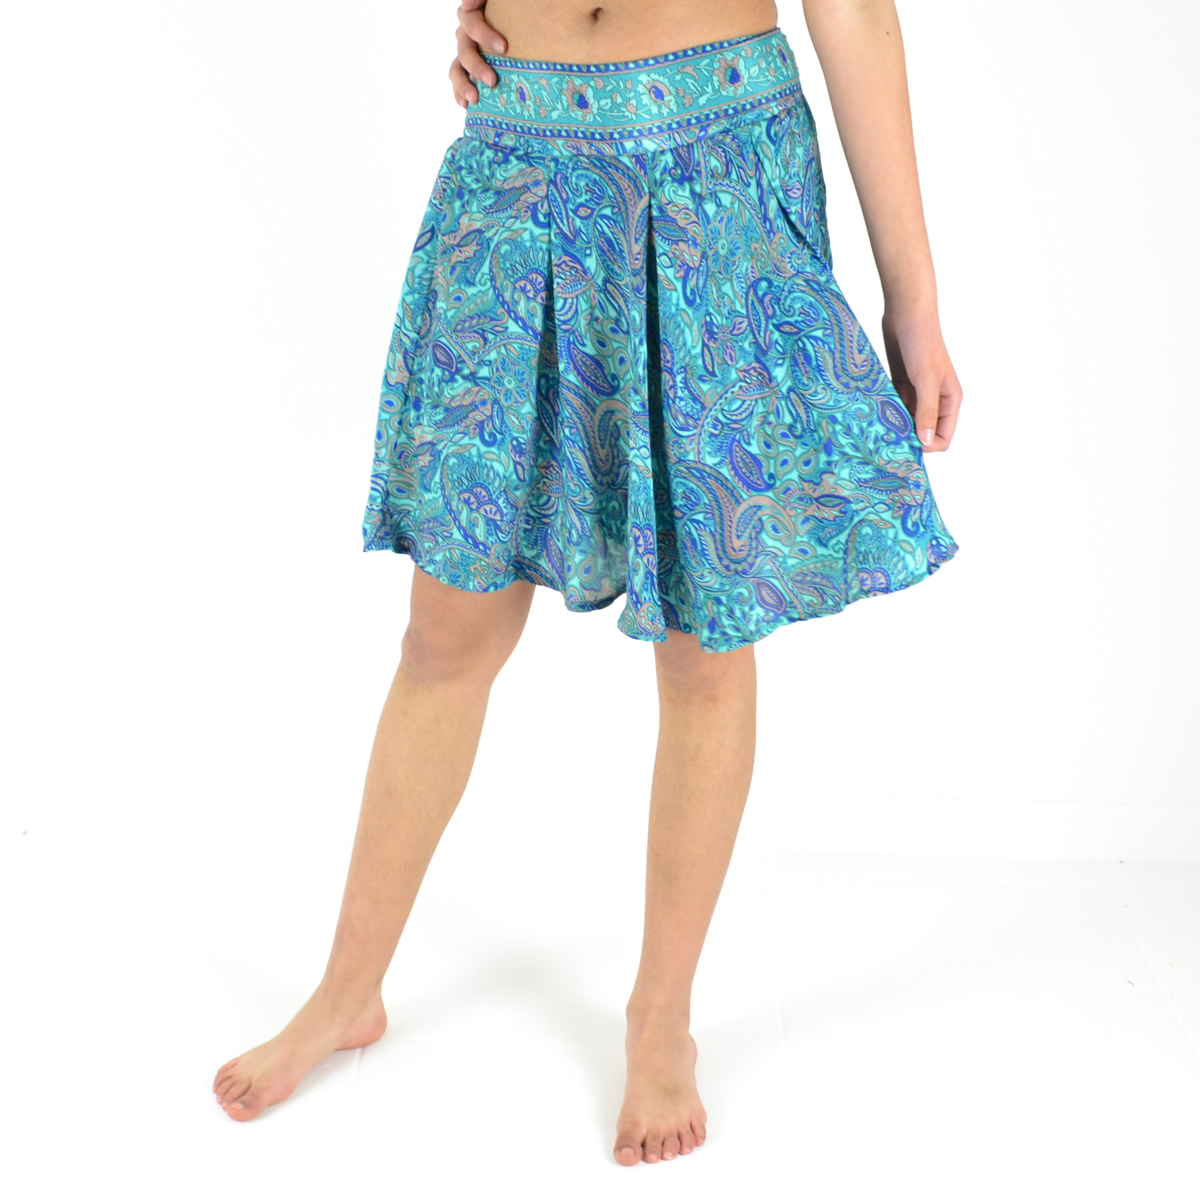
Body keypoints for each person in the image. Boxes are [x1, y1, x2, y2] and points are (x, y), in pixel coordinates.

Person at [213, 0, 962, 1166]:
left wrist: (913, 298)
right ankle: (346, 990)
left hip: (710, 172)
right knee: (444, 634)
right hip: (515, 164)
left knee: (705, 640)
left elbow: (853, 9)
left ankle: (662, 1018)